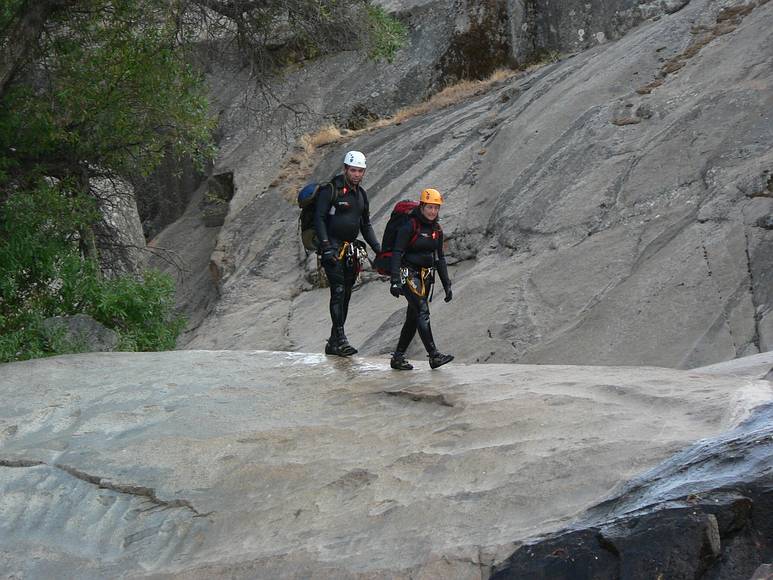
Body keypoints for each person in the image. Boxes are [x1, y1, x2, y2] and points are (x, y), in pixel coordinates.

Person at [314, 150, 381, 356]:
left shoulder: (361, 195)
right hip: (331, 249)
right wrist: (326, 246)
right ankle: (341, 340)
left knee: (347, 296)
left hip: (351, 250)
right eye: (353, 170)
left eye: (360, 171)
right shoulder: (331, 190)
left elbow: (365, 225)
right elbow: (319, 218)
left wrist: (379, 250)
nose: (357, 174)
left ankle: (333, 343)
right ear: (345, 169)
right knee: (339, 291)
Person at [388, 188, 454, 370]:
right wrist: (395, 280)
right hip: (407, 273)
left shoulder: (436, 229)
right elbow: (397, 252)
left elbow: (439, 258)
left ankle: (398, 357)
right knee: (422, 310)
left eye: (436, 208)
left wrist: (447, 284)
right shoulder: (410, 225)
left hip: (425, 276)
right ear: (422, 206)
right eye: (430, 207)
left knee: (413, 317)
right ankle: (434, 356)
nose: (433, 212)